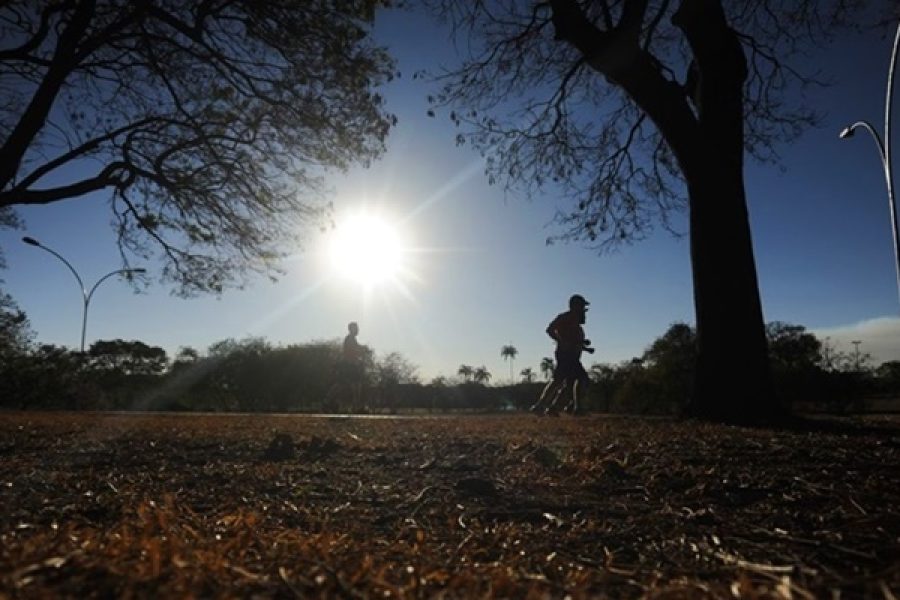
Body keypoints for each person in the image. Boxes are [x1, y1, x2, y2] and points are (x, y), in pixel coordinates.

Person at [530, 294, 594, 416]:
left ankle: (549, 407)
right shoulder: (565, 318)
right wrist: (561, 341)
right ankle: (577, 408)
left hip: (572, 355)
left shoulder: (577, 326)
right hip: (566, 355)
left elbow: (574, 342)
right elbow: (550, 329)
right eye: (582, 307)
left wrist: (585, 347)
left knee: (563, 382)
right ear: (575, 307)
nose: (583, 311)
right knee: (580, 378)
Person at [327, 321, 370, 412]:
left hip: (350, 364)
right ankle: (355, 406)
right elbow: (352, 351)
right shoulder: (350, 339)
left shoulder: (352, 339)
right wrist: (361, 351)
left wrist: (362, 349)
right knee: (352, 385)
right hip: (349, 365)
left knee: (347, 385)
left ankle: (329, 402)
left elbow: (356, 348)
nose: (358, 330)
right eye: (356, 328)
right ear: (352, 329)